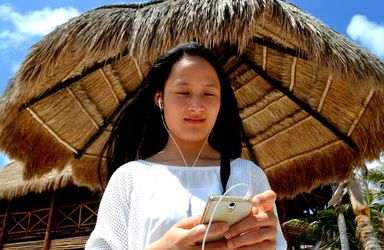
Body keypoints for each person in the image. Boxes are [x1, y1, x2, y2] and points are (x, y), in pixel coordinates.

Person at [86, 42, 287, 249]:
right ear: (160, 99)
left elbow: (277, 245)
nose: (196, 106)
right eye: (183, 92)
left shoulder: (248, 174)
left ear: (220, 103)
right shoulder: (129, 177)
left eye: (209, 94)